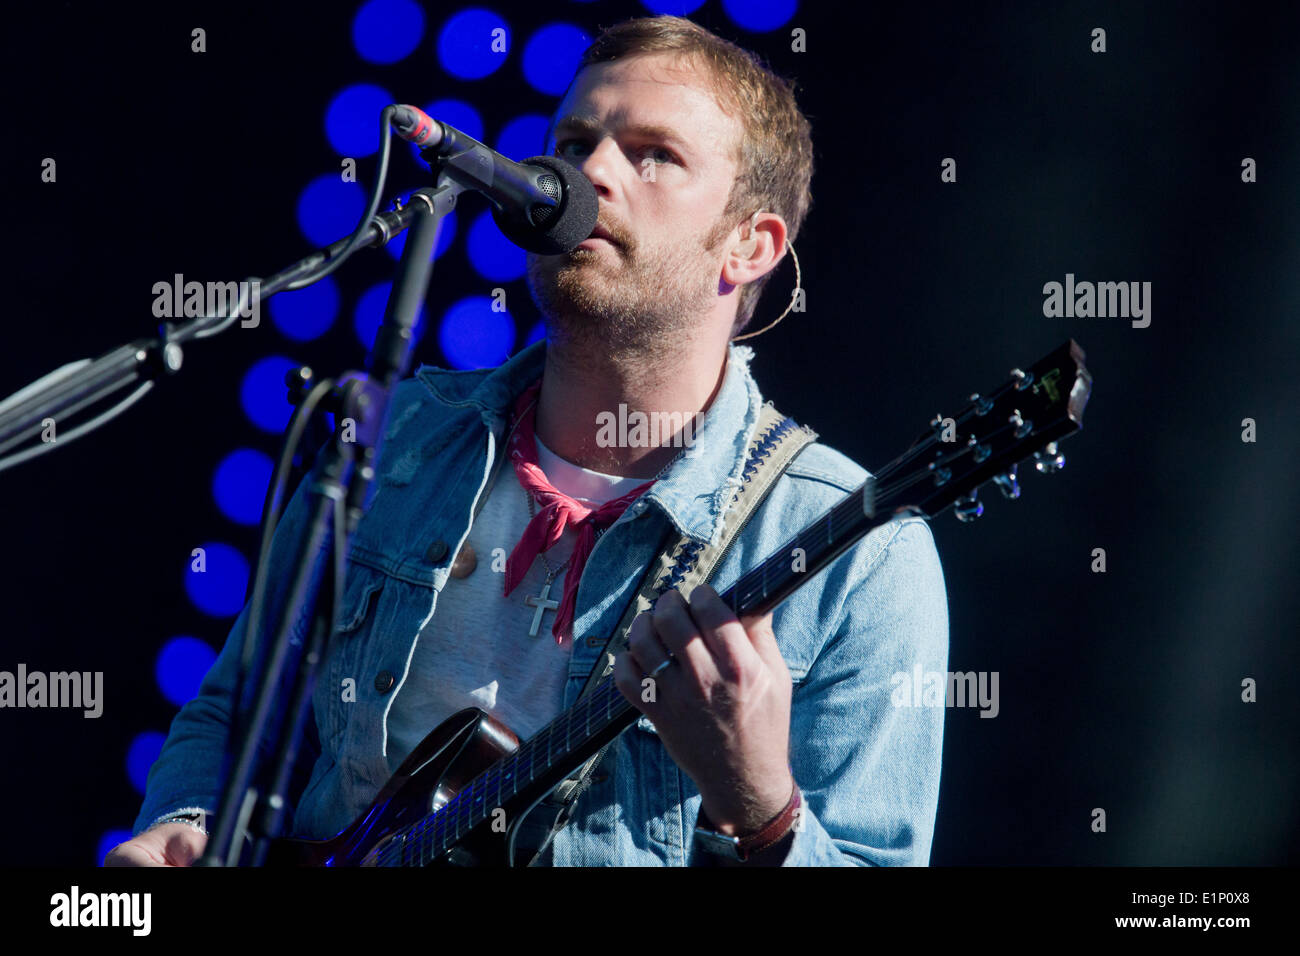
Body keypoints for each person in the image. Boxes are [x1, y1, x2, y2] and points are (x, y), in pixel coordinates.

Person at [108, 14, 948, 868]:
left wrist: (762, 807)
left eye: (654, 154)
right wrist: (185, 822)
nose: (589, 172)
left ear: (750, 245)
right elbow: (234, 713)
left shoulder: (860, 555)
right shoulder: (392, 440)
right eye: (576, 139)